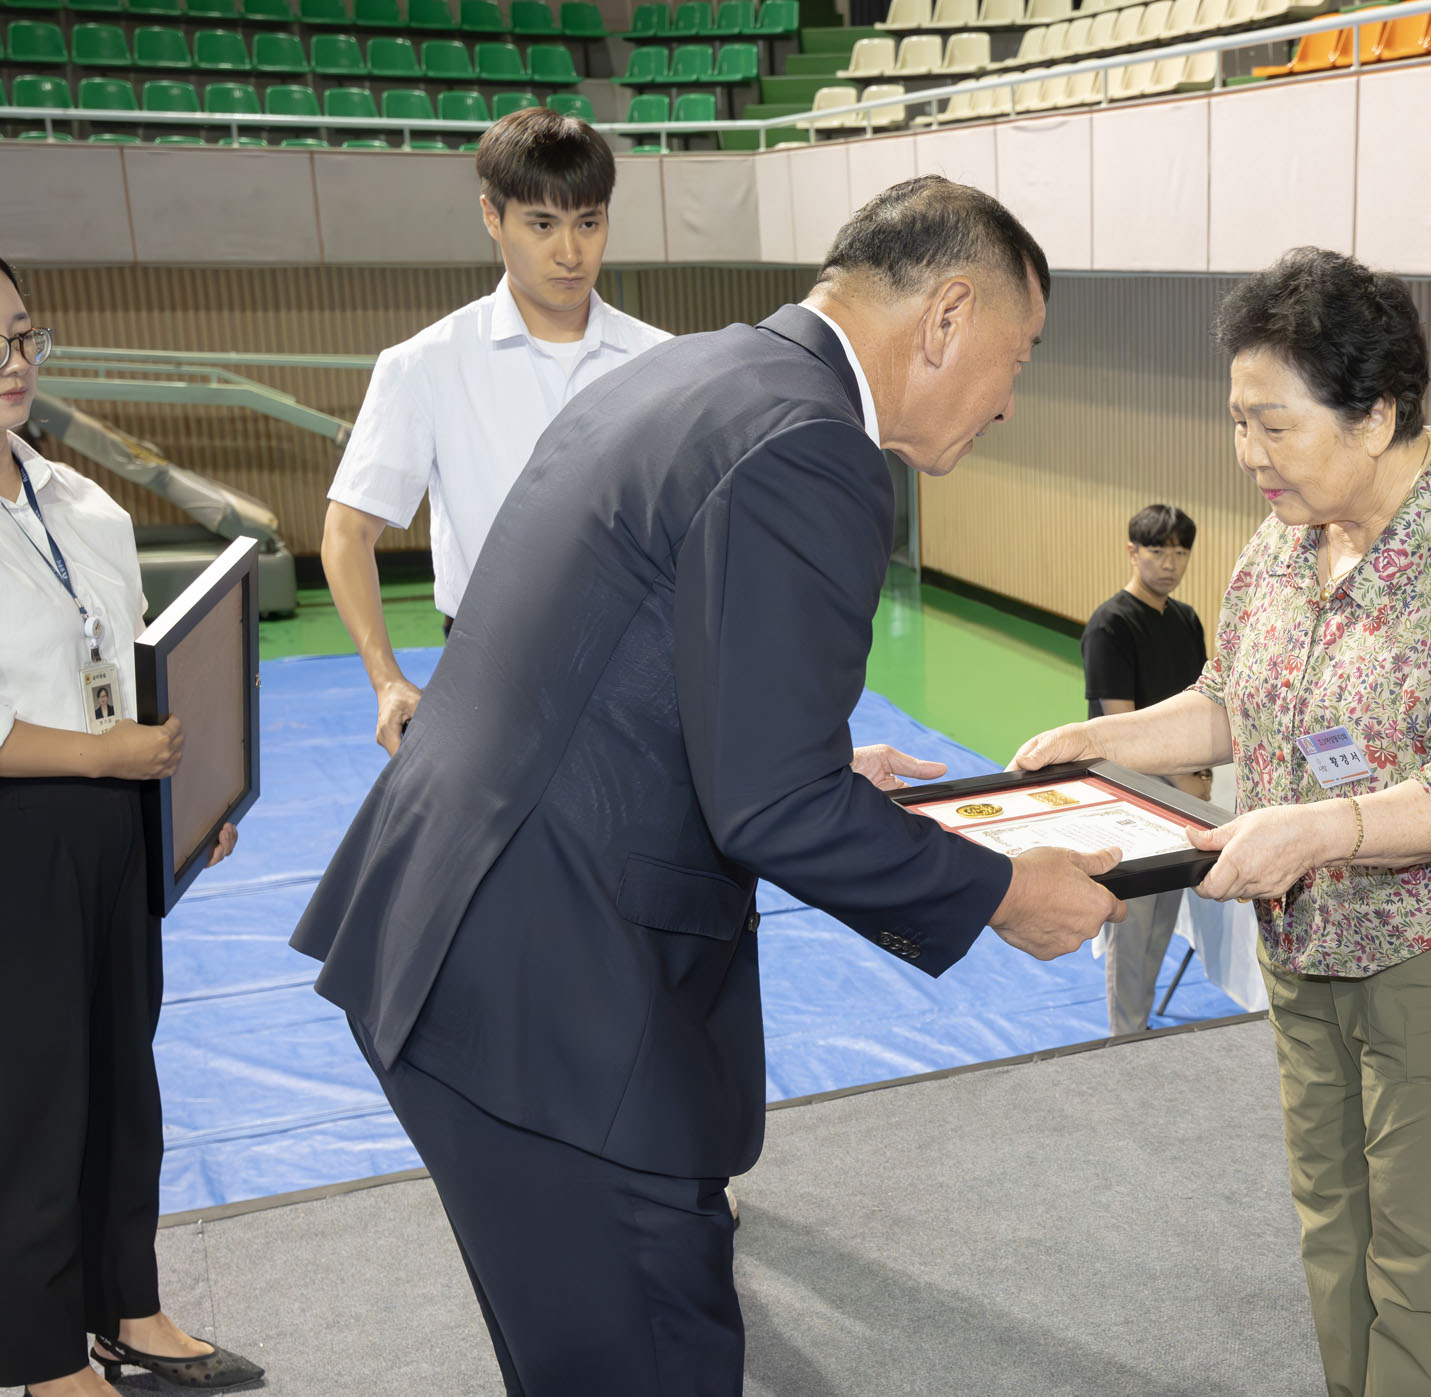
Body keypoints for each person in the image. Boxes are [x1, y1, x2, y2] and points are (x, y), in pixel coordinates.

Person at [291, 176, 1126, 1395]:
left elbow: (614, 653)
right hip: (556, 1006)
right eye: (1021, 355)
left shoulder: (687, 371)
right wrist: (1004, 891)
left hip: (454, 937)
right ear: (947, 317)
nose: (1009, 400)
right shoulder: (817, 450)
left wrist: (801, 751)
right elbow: (774, 806)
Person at [1013, 247, 1431, 1397]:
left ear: (1376, 413)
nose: (1249, 453)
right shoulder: (1291, 532)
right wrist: (1101, 741)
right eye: (1239, 421)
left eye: (1274, 424)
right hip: (1313, 937)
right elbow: (1235, 697)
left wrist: (1325, 829)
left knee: (1426, 1264)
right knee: (1335, 1228)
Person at [0, 259, 260, 1396]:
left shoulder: (77, 499)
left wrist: (183, 800)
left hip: (114, 822)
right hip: (20, 833)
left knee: (121, 1079)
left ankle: (125, 1304)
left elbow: (139, 660)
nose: (15, 364)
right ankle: (42, 1354)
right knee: (34, 1097)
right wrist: (103, 758)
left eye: (23, 337)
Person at [321, 106, 670, 754]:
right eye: (542, 224)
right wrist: (387, 679)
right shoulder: (427, 364)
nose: (570, 253)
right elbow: (348, 532)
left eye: (588, 223)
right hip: (489, 672)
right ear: (492, 216)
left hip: (637, 667)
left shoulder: (666, 362)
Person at [1080, 502, 1210, 1034]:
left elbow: (1202, 707)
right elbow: (1121, 731)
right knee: (1131, 925)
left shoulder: (1186, 620)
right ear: (1133, 552)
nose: (1170, 564)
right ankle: (1126, 1037)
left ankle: (1141, 1023)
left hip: (1182, 790)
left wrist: (1199, 778)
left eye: (1181, 552)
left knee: (1163, 920)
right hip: (1130, 794)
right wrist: (1185, 780)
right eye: (1158, 551)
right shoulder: (1111, 625)